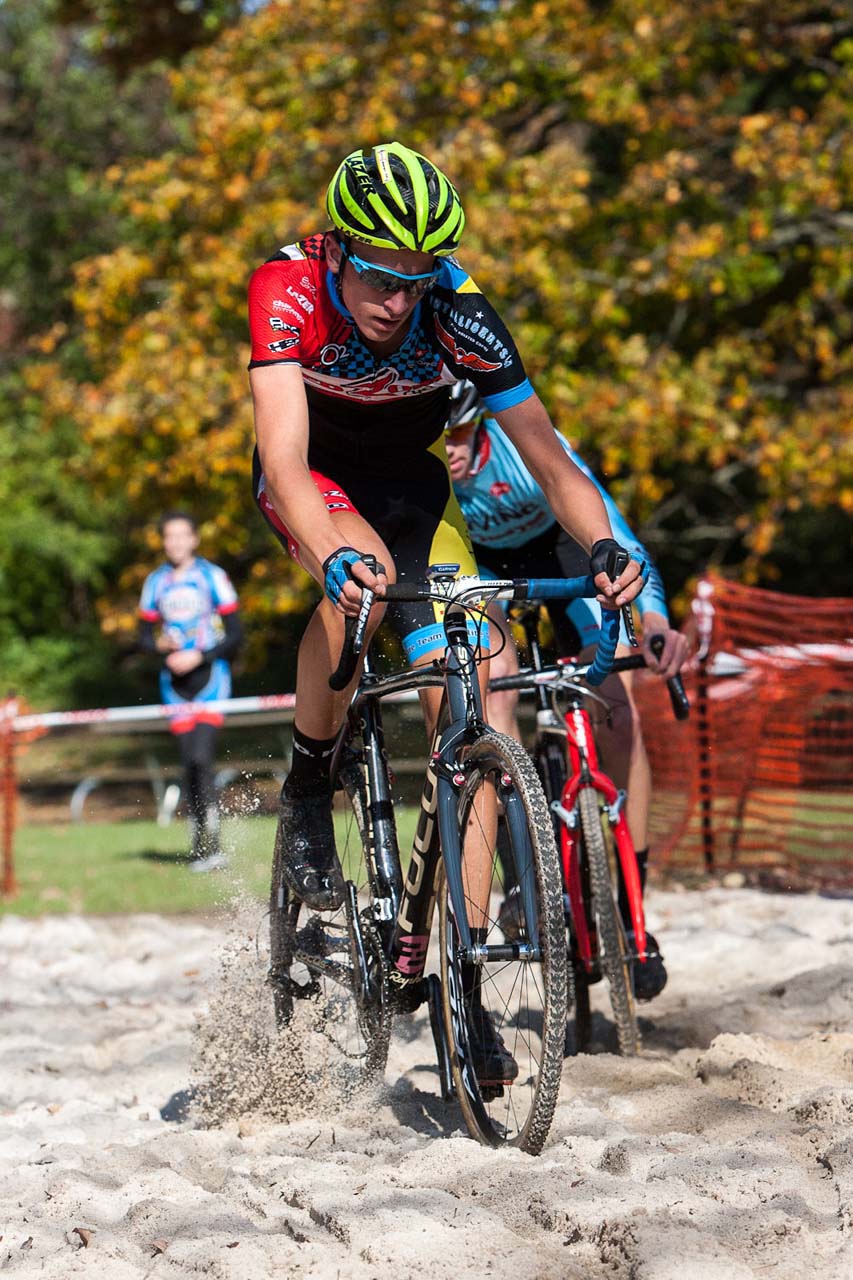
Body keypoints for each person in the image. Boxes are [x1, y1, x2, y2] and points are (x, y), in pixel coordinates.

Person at [247, 141, 644, 1082]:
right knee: (362, 585)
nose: (400, 298)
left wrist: (603, 546)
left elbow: (551, 463)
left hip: (413, 490)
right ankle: (309, 785)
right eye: (383, 275)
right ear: (341, 251)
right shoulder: (286, 289)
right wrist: (335, 550)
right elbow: (284, 461)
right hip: (314, 478)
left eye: (418, 276)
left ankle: (461, 986)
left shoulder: (460, 312)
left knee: (486, 687)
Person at [445, 381, 689, 999]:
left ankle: (634, 907)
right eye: (437, 434)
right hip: (482, 569)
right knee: (488, 690)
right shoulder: (430, 470)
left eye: (458, 432)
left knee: (615, 705)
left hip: (559, 549)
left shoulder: (520, 445)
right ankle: (519, 871)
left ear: (479, 424)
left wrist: (654, 623)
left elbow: (618, 536)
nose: (447, 447)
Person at [138, 512, 243, 873]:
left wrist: (200, 654)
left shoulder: (212, 577)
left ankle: (213, 845)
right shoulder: (155, 583)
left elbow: (235, 636)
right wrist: (160, 646)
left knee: (201, 759)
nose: (176, 543)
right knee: (189, 767)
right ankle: (200, 847)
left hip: (211, 682)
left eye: (182, 535)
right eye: (169, 537)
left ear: (195, 539)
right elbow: (143, 637)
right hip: (174, 688)